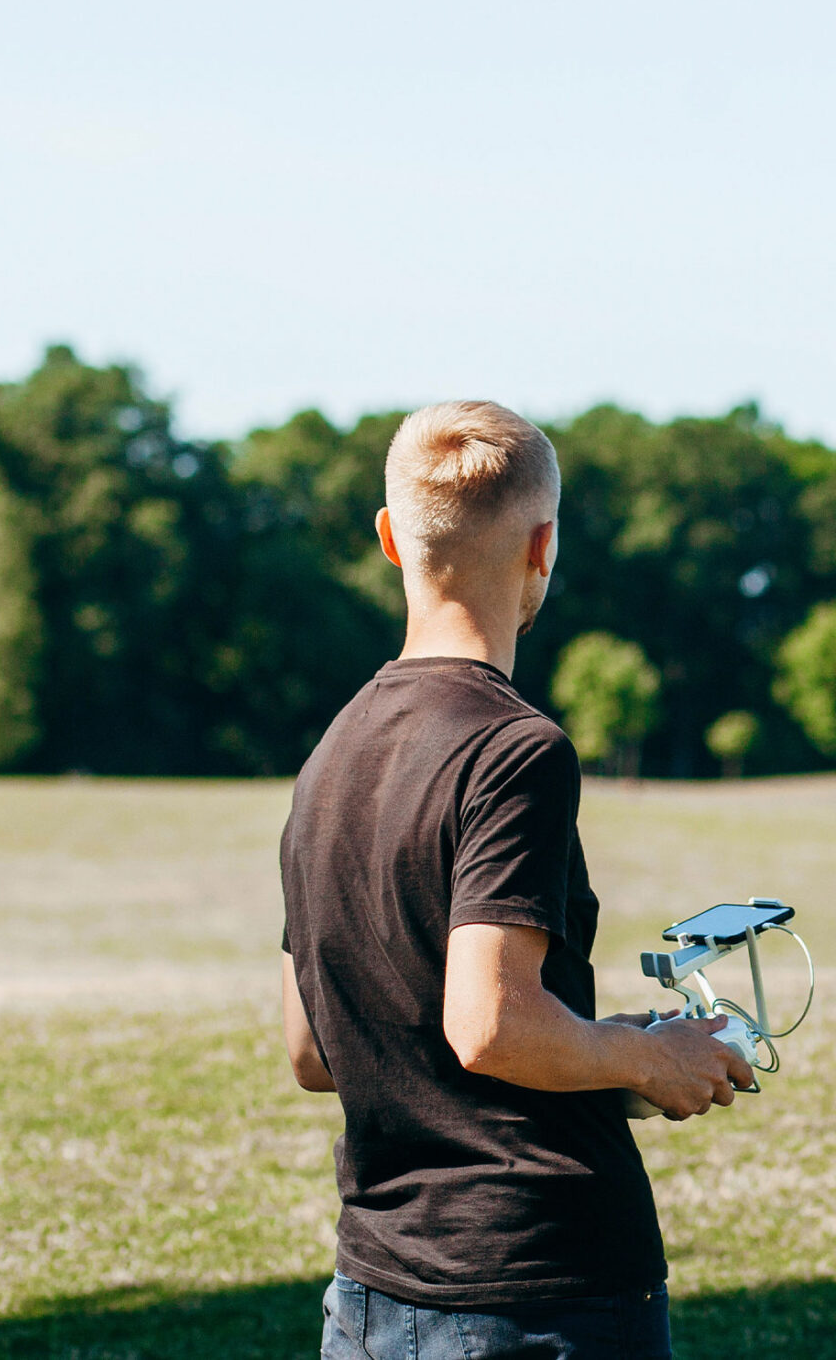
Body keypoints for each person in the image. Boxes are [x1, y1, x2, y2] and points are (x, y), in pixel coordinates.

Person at [279, 400, 753, 1360]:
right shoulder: (516, 749)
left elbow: (314, 1048)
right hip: (536, 1294)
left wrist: (596, 1044)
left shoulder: (330, 753)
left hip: (370, 1292)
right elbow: (488, 1025)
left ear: (388, 539)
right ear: (543, 546)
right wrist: (647, 1057)